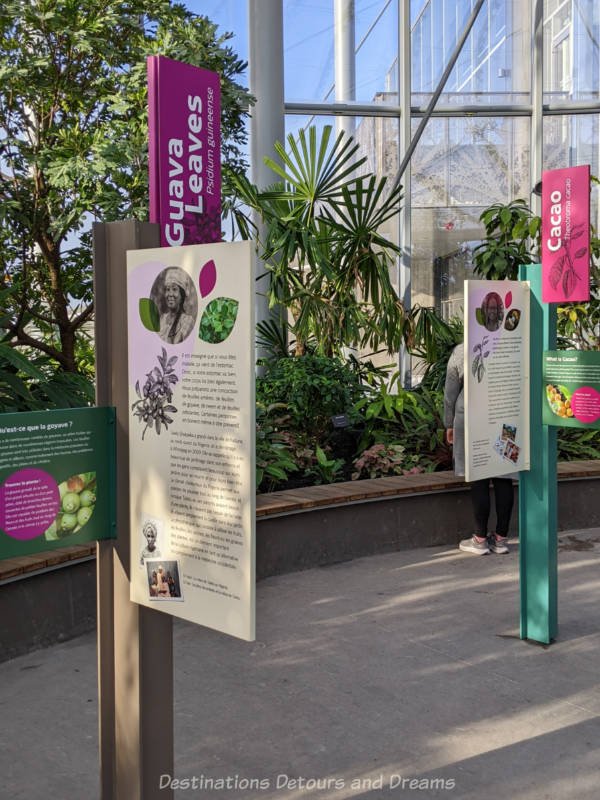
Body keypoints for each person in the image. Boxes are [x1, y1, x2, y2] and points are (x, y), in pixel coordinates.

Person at [444, 342, 514, 555]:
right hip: (506, 414)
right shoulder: (511, 345)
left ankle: (480, 539)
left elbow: (450, 393)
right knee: (504, 477)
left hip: (470, 417)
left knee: (478, 476)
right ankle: (501, 540)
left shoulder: (461, 350)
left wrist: (448, 424)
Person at [159, 268, 195, 344]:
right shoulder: (162, 319)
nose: (170, 294)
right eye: (168, 289)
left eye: (174, 289)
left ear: (182, 295)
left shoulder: (187, 322)